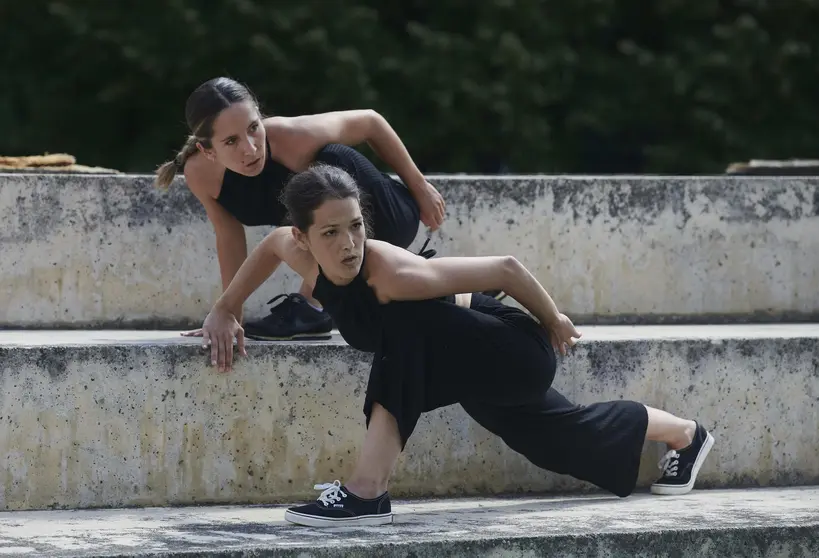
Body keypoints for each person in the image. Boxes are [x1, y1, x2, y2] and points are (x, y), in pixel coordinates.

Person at [199, 164, 716, 528]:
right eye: (330, 233)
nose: (348, 243)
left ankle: (365, 491)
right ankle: (686, 435)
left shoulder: (393, 274)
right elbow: (267, 248)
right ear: (303, 236)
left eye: (355, 226)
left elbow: (505, 269)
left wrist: (554, 320)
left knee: (403, 328)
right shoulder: (291, 246)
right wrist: (226, 308)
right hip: (462, 358)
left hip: (512, 349)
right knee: (558, 439)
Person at [154, 76, 446, 341]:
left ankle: (311, 305)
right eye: (231, 141)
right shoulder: (200, 174)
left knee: (331, 158)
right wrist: (231, 313)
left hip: (389, 215)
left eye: (254, 128)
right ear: (208, 150)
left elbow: (370, 122)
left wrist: (420, 187)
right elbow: (229, 237)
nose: (251, 148)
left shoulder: (290, 137)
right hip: (336, 249)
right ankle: (325, 306)